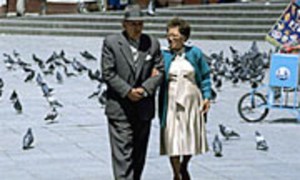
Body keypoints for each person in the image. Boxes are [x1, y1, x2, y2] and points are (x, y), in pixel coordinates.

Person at [101, 5, 164, 180]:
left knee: (139, 154)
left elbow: (160, 71)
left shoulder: (152, 43)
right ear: (124, 24)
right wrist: (128, 91)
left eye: (140, 24)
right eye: (132, 24)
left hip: (143, 107)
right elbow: (108, 72)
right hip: (120, 107)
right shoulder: (112, 43)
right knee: (123, 155)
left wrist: (144, 89)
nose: (137, 28)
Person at [159, 17, 212, 180]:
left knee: (190, 137)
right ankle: (177, 174)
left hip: (191, 101)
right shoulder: (164, 55)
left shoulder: (194, 53)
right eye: (169, 35)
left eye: (175, 36)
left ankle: (184, 165)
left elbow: (205, 76)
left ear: (184, 37)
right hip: (171, 101)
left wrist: (206, 97)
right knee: (172, 138)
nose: (171, 39)